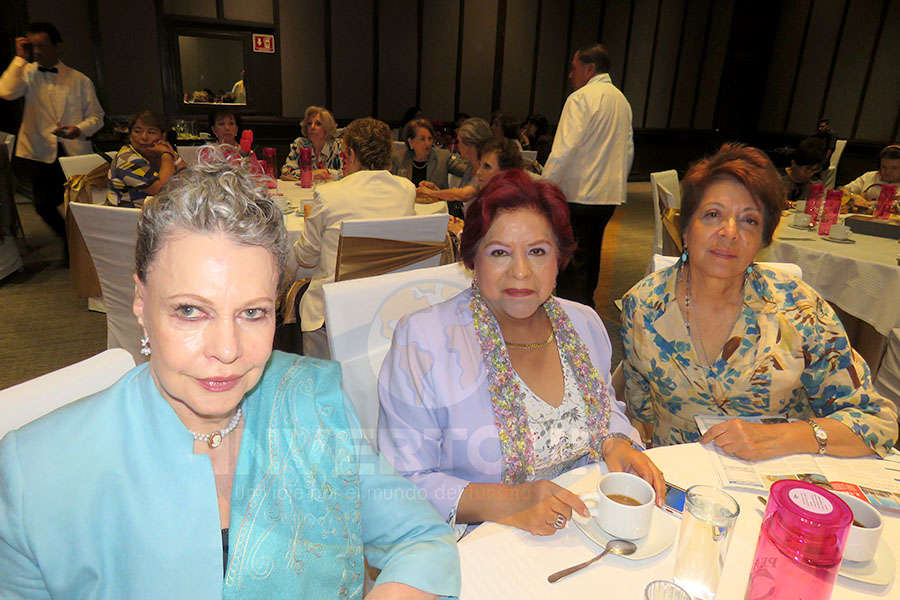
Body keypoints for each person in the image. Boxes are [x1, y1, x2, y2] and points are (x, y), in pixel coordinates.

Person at [0, 146, 459, 599]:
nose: (227, 350)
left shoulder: (312, 402)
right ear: (140, 302)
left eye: (253, 313)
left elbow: (420, 538)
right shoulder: (33, 476)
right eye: (190, 310)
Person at [378, 170, 665, 538]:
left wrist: (616, 441)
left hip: (584, 528)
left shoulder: (584, 323)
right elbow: (403, 480)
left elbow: (604, 407)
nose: (521, 271)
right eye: (500, 252)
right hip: (479, 542)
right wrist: (510, 502)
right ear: (473, 261)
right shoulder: (423, 341)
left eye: (537, 252)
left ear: (559, 258)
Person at [621, 143, 898, 460]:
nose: (730, 232)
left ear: (764, 238)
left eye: (749, 220)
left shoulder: (799, 309)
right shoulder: (642, 306)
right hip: (680, 482)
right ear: (685, 228)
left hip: (777, 482)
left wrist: (779, 437)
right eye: (713, 215)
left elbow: (876, 421)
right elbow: (639, 415)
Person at [293, 118, 416, 360]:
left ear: (350, 152)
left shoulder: (330, 195)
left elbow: (305, 257)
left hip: (334, 315)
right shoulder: (406, 190)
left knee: (296, 294)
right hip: (385, 310)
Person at [0, 22, 104, 258]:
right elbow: (5, 91)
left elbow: (97, 117)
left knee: (76, 205)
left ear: (58, 47)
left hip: (72, 151)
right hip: (38, 151)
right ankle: (70, 243)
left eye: (42, 46)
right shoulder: (25, 73)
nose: (36, 51)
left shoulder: (80, 80)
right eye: (32, 46)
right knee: (43, 205)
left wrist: (78, 129)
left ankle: (78, 252)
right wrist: (19, 58)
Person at [543, 43, 633, 308]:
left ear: (589, 69)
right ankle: (587, 310)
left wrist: (544, 188)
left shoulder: (581, 98)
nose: (571, 75)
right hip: (608, 196)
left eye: (574, 68)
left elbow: (564, 150)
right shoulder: (621, 101)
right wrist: (617, 183)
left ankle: (574, 318)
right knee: (591, 257)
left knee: (572, 264)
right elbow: (628, 150)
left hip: (579, 194)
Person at [414, 117, 492, 218]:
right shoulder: (470, 167)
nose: (457, 145)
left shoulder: (486, 169)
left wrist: (434, 193)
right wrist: (438, 191)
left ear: (469, 144)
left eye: (459, 141)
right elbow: (458, 199)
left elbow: (464, 194)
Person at [107, 111, 186, 208]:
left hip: (155, 213)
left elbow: (189, 178)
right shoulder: (127, 159)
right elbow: (163, 190)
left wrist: (171, 155)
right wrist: (167, 155)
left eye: (151, 132)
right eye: (137, 131)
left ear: (163, 135)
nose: (144, 137)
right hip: (127, 216)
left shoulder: (158, 151)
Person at [391, 118, 467, 190]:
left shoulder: (442, 157)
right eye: (422, 139)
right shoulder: (398, 158)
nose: (428, 143)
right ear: (411, 142)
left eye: (430, 139)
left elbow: (465, 171)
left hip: (436, 202)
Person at [281, 105, 343, 182]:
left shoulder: (338, 146)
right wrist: (312, 174)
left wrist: (326, 172)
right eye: (309, 124)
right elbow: (286, 171)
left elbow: (347, 173)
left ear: (327, 128)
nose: (312, 127)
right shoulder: (300, 144)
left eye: (318, 124)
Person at [779, 137, 826, 206]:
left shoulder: (815, 184)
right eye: (807, 169)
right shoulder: (778, 180)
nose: (811, 174)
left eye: (815, 170)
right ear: (794, 163)